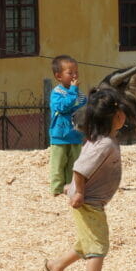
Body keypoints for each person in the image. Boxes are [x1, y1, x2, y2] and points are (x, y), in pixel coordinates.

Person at [44, 88, 130, 271]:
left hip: (91, 201)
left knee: (87, 243)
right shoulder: (104, 144)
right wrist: (78, 191)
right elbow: (80, 168)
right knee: (98, 247)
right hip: (87, 202)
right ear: (117, 116)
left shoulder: (104, 139)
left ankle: (56, 265)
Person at [49, 55, 87, 197]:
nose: (74, 75)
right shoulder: (57, 93)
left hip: (76, 136)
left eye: (76, 72)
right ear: (58, 76)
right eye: (70, 73)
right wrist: (72, 91)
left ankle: (71, 189)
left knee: (74, 166)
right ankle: (57, 190)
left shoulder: (80, 95)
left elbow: (83, 110)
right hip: (60, 136)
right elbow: (62, 107)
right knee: (58, 166)